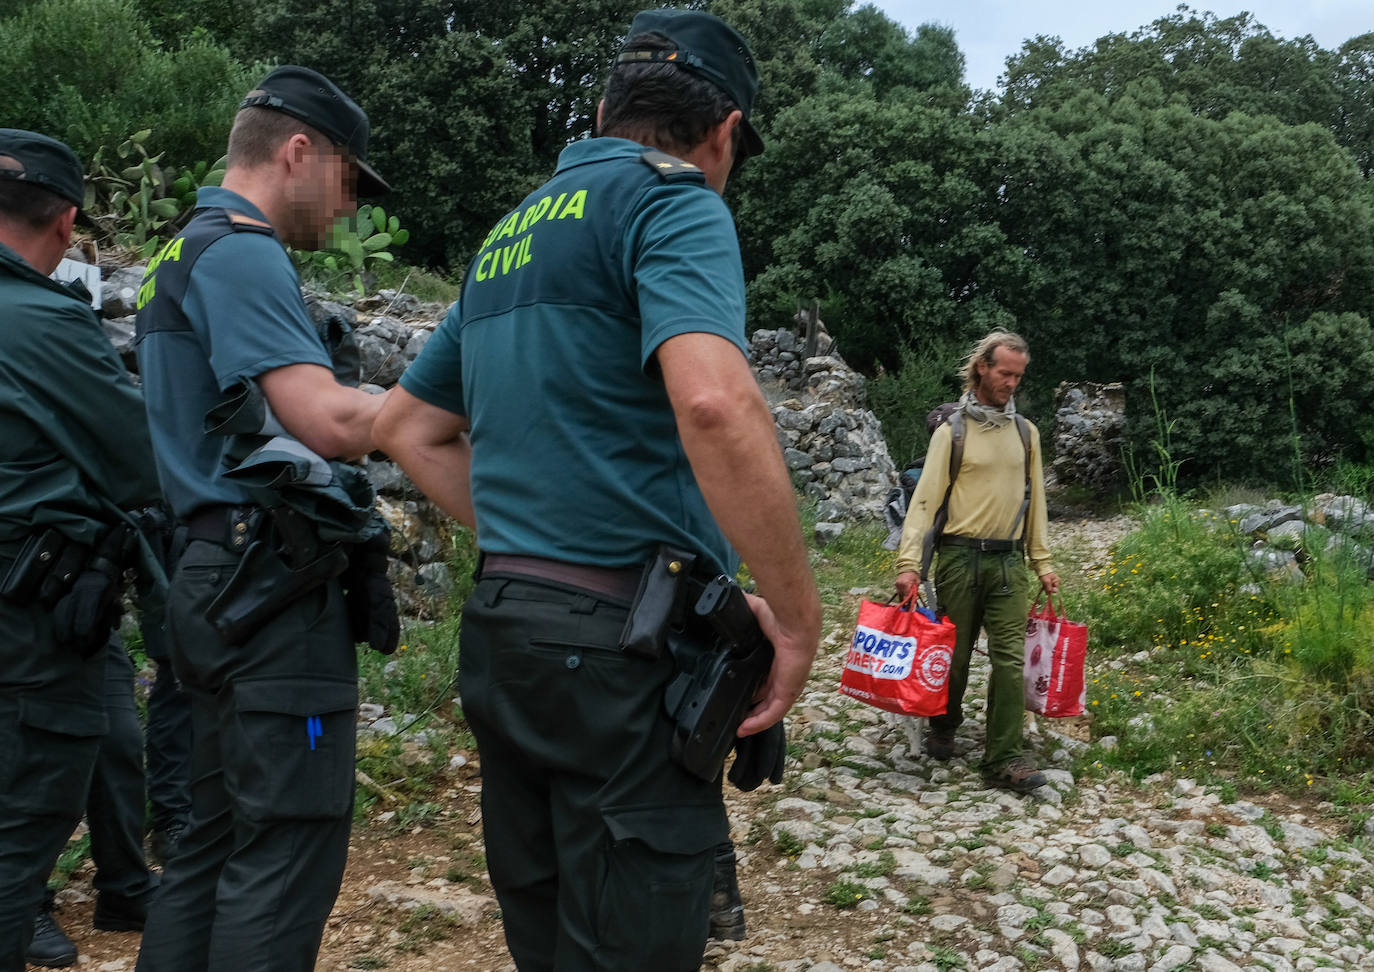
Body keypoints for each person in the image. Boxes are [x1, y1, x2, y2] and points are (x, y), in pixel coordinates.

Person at [374, 9, 821, 970]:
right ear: (725, 131)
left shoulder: (508, 237)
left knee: (552, 941)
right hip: (619, 657)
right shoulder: (676, 201)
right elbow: (712, 402)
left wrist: (551, 547)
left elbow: (404, 428)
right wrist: (795, 618)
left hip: (506, 632)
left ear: (605, 104)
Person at [131, 66, 391, 972]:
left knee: (208, 841)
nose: (350, 206)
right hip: (270, 592)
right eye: (349, 179)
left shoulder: (180, 248)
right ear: (297, 152)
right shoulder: (241, 251)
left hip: (208, 575)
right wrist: (442, 404)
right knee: (285, 846)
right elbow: (321, 418)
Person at [0, 129, 161, 971]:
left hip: (54, 612)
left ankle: (125, 883)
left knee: (105, 734)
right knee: (22, 814)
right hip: (25, 613)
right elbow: (141, 459)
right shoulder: (38, 319)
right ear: (66, 223)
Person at [894, 331, 1060, 793]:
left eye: (1018, 376)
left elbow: (1037, 502)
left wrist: (1042, 563)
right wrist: (909, 563)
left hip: (1009, 562)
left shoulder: (1027, 435)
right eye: (1005, 373)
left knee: (1010, 663)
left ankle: (1003, 757)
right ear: (983, 368)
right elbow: (925, 502)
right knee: (956, 656)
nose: (1011, 383)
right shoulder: (953, 434)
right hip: (959, 558)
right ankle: (944, 723)